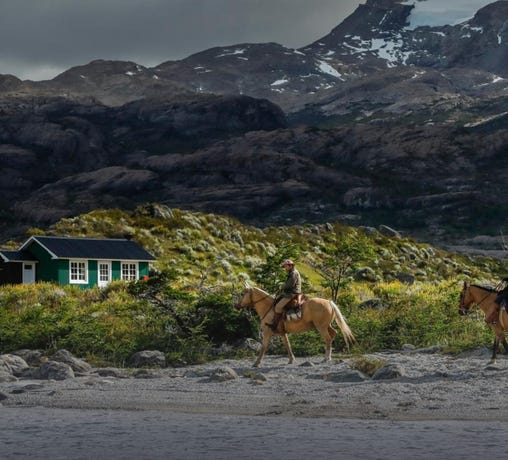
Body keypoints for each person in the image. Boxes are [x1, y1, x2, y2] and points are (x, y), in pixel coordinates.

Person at [267, 259, 302, 332]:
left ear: (290, 266)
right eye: (285, 266)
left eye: (286, 266)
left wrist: (281, 287)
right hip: (291, 292)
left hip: (292, 293)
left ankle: (275, 325)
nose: (285, 268)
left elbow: (290, 285)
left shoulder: (293, 273)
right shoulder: (292, 272)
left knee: (278, 307)